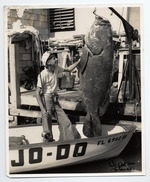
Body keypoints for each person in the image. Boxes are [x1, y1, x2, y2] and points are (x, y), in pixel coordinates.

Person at [36, 51, 80, 142]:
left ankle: (67, 142)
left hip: (55, 99)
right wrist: (43, 109)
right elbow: (37, 93)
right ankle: (47, 145)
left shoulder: (56, 68)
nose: (55, 59)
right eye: (53, 58)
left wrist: (79, 61)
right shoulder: (42, 75)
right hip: (47, 99)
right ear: (48, 62)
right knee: (47, 128)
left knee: (66, 122)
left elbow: (68, 69)